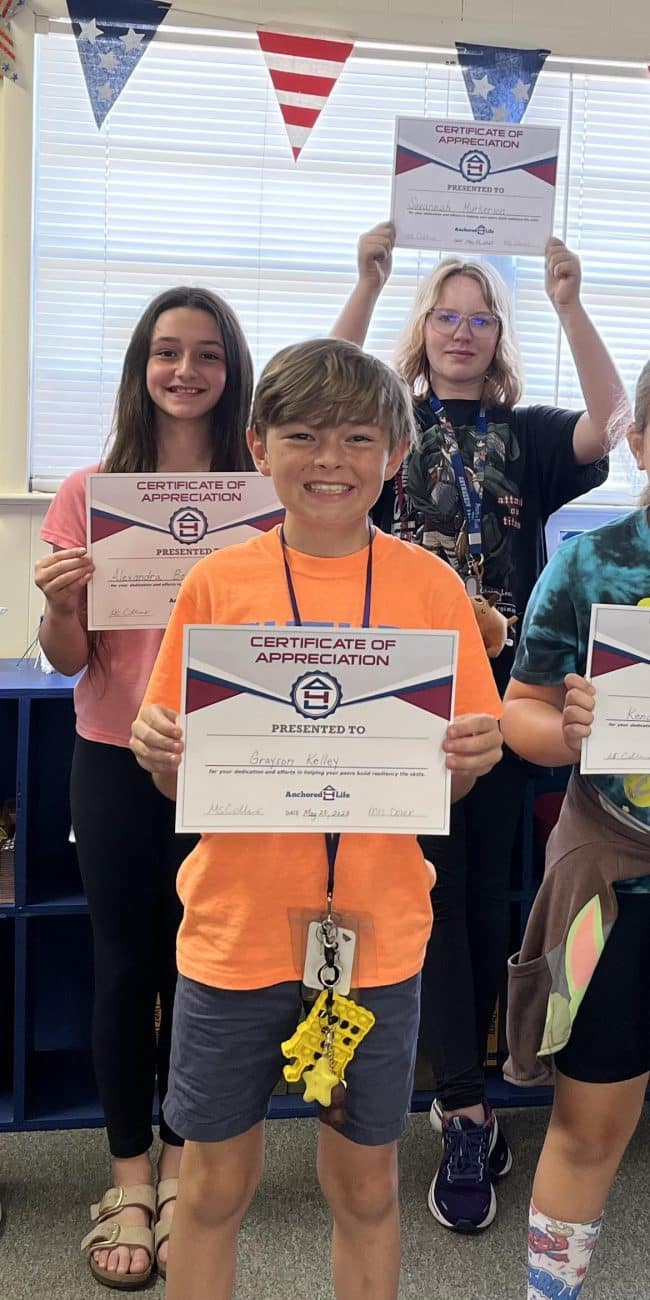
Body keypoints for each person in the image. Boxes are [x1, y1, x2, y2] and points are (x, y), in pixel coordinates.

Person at [129, 337, 504, 1300]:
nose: (330, 459)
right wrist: (163, 755)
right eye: (302, 435)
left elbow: (450, 784)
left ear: (395, 453)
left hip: (376, 936)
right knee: (212, 1188)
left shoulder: (431, 590)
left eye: (358, 438)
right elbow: (179, 781)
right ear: (259, 446)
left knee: (366, 1188)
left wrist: (468, 761)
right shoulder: (218, 584)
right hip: (235, 931)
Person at [332, 223, 626, 1232]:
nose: (461, 332)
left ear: (498, 336)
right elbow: (315, 402)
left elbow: (610, 422)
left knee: (488, 891)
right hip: (389, 693)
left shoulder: (527, 434)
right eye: (445, 316)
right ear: (423, 328)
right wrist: (367, 284)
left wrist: (568, 301)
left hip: (498, 696)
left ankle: (472, 1092)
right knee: (432, 892)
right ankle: (460, 1103)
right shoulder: (385, 423)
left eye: (480, 318)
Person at [34, 287, 254, 1289]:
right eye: (167, 351)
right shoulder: (88, 491)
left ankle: (188, 1169)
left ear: (229, 370)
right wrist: (61, 604)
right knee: (125, 965)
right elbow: (68, 658)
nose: (185, 370)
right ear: (141, 366)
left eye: (206, 353)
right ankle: (130, 1175)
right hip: (117, 752)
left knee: (209, 970)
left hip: (235, 759)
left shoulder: (262, 493)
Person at [500, 360, 650, 1300]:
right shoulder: (591, 564)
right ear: (641, 440)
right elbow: (520, 709)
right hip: (616, 889)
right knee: (589, 1125)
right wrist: (570, 731)